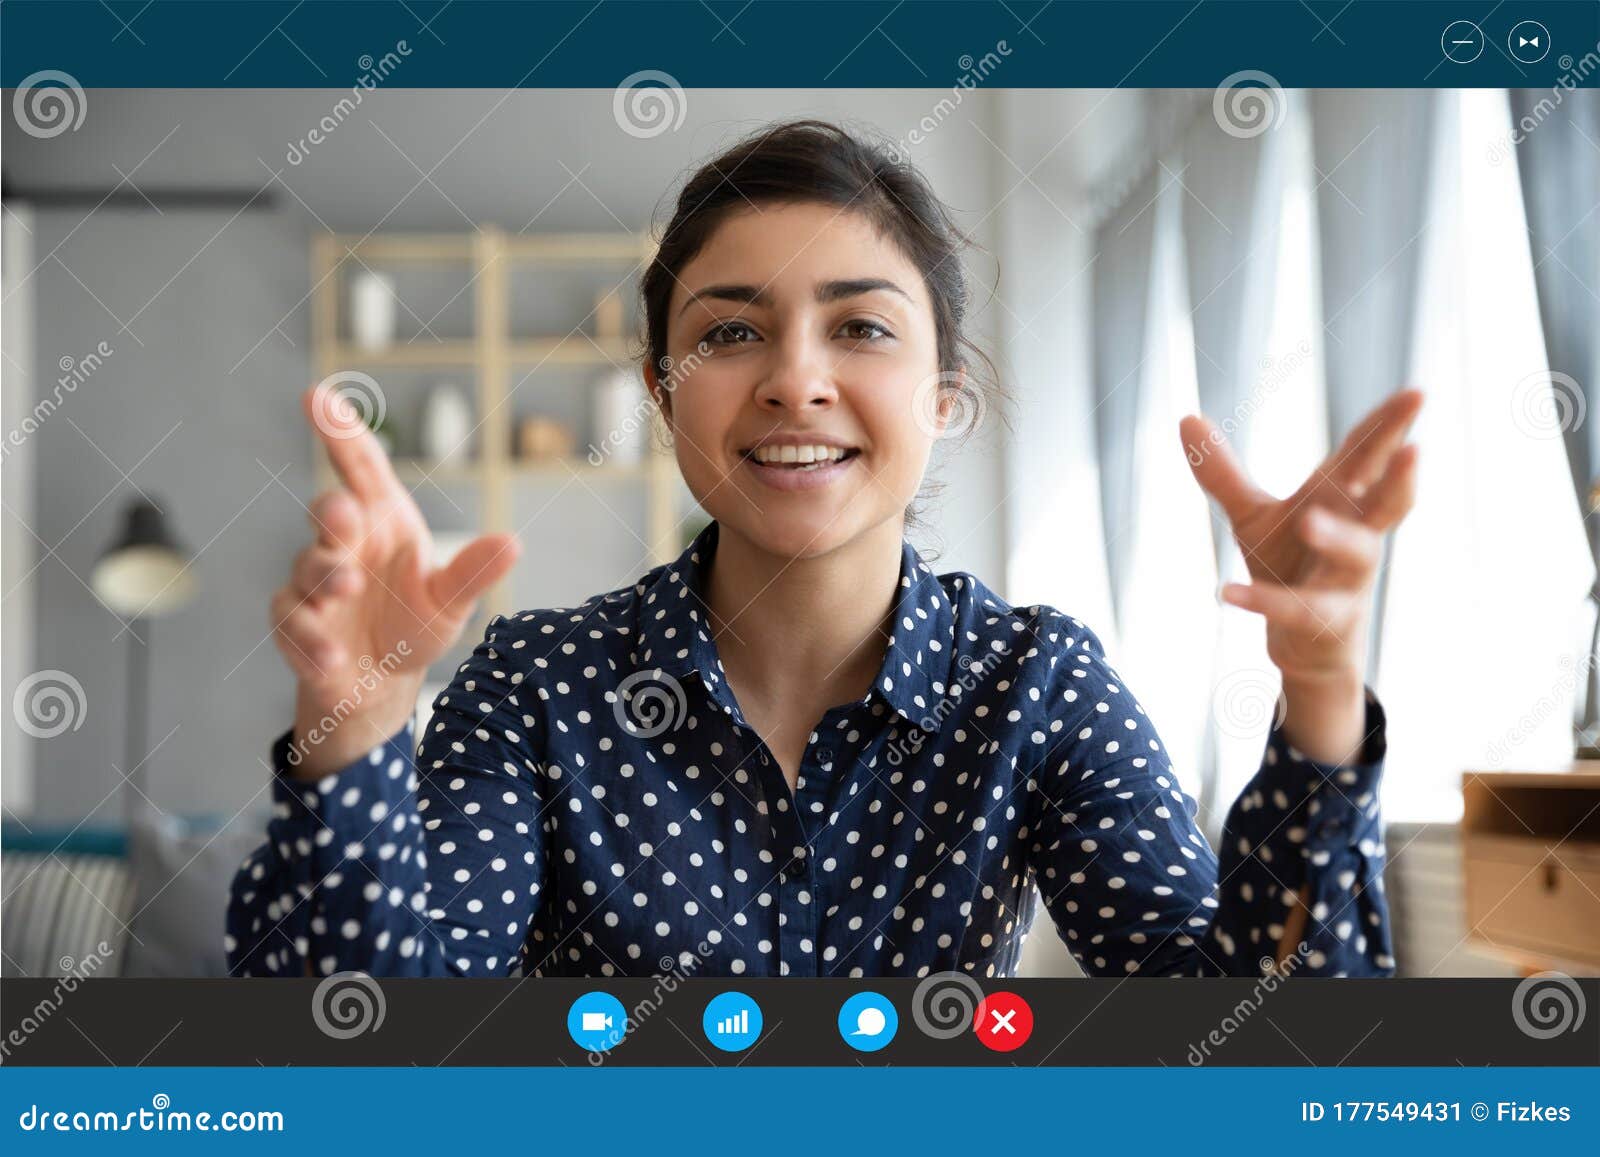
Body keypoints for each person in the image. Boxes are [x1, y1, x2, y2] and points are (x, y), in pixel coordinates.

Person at [227, 119, 1419, 980]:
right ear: (661, 390)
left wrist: (1317, 696)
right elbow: (371, 1050)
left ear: (943, 394)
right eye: (732, 331)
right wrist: (366, 720)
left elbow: (1243, 1049)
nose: (796, 379)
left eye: (860, 326)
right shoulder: (535, 686)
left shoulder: (1036, 684)